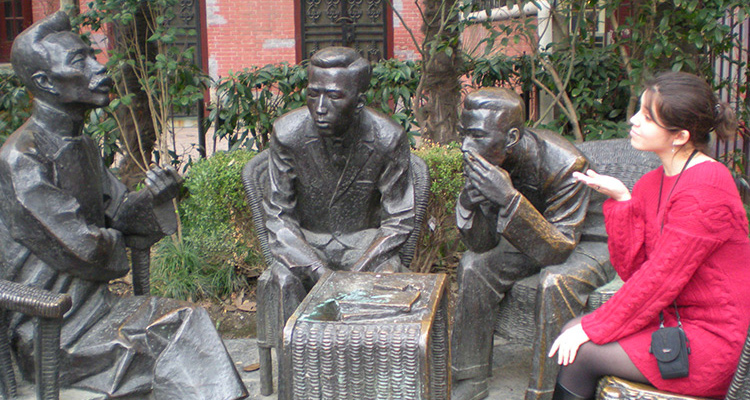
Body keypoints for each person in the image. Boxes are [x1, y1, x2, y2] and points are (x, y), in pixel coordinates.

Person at [0, 12, 247, 399]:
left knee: (186, 328)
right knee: (185, 329)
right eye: (80, 62)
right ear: (45, 83)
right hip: (52, 330)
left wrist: (156, 197)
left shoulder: (82, 144)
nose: (99, 69)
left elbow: (121, 214)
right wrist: (116, 232)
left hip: (96, 311)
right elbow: (86, 250)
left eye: (92, 56)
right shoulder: (21, 159)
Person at [548, 71, 750, 400]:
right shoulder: (651, 182)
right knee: (572, 332)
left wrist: (594, 326)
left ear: (680, 136)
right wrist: (623, 200)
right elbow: (634, 271)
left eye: (646, 116)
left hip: (714, 341)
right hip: (673, 322)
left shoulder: (707, 186)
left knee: (581, 352)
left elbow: (659, 279)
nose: (632, 120)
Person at [452, 88, 606, 400]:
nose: (466, 147)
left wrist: (507, 198)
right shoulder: (484, 157)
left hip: (589, 238)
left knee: (556, 283)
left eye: (477, 135)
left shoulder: (566, 164)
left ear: (511, 137)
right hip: (533, 232)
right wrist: (472, 202)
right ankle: (470, 376)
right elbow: (481, 244)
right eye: (464, 134)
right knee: (473, 266)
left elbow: (559, 248)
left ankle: (545, 389)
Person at [261, 45, 415, 318]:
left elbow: (399, 220)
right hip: (306, 245)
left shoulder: (388, 137)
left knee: (387, 278)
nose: (320, 108)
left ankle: (373, 355)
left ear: (358, 101)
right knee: (283, 278)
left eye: (334, 96)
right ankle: (294, 357)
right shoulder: (286, 134)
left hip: (364, 246)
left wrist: (359, 270)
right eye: (312, 94)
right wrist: (316, 269)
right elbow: (278, 217)